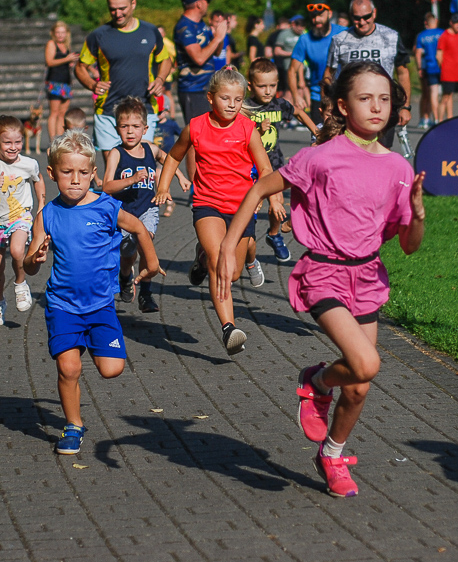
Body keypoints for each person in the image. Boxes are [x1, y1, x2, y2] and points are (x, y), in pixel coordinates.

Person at [217, 61, 426, 499]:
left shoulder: (398, 168)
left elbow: (409, 245)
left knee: (360, 384)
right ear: (342, 105)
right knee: (366, 363)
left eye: (384, 98)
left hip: (367, 275)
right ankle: (314, 384)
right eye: (365, 98)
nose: (376, 107)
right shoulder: (319, 157)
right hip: (324, 273)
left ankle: (332, 453)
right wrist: (225, 248)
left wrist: (418, 216)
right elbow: (257, 189)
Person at [23, 130, 161, 456]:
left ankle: (85, 342)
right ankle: (73, 425)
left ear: (93, 174)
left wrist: (151, 262)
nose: (75, 180)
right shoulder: (47, 216)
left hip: (100, 306)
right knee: (69, 369)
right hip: (62, 305)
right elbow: (29, 267)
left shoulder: (107, 207)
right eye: (67, 172)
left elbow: (139, 226)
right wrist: (34, 259)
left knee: (111, 369)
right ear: (52, 173)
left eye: (83, 173)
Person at [153, 68, 272, 356]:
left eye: (238, 99)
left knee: (231, 274)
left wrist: (268, 197)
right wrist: (163, 186)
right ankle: (229, 328)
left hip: (241, 209)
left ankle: (201, 255)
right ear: (210, 98)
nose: (232, 104)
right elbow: (174, 156)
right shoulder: (195, 127)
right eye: (225, 98)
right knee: (220, 261)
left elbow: (266, 169)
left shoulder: (247, 128)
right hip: (207, 204)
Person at [102, 97, 188, 314]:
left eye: (135, 127)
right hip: (123, 212)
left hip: (148, 207)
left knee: (146, 244)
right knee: (128, 254)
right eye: (124, 127)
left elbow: (168, 159)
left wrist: (180, 176)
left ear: (145, 129)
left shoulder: (150, 148)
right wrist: (130, 180)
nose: (130, 132)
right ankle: (125, 276)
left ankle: (146, 294)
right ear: (116, 128)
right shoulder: (116, 153)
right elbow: (106, 186)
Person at [75, 0, 171, 161]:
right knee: (114, 168)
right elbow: (80, 66)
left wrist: (160, 79)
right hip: (109, 110)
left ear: (133, 4)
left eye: (122, 8)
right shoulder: (99, 35)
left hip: (144, 107)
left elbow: (165, 59)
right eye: (113, 9)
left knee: (142, 164)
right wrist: (92, 84)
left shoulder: (150, 32)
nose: (118, 14)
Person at [242, 58, 319, 263]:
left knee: (277, 204)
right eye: (262, 86)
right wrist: (257, 131)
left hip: (274, 164)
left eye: (272, 86)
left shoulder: (279, 104)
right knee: (249, 208)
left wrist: (316, 132)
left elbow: (300, 113)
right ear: (250, 86)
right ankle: (244, 244)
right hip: (249, 166)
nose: (268, 91)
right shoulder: (244, 108)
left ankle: (274, 234)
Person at [0, 116, 45, 326]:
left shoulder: (29, 163)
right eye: (8, 143)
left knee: (17, 250)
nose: (14, 147)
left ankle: (21, 284)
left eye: (18, 142)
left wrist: (41, 203)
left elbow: (38, 181)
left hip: (19, 217)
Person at [322, 0, 413, 147]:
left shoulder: (391, 37)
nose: (362, 22)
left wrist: (405, 107)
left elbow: (403, 73)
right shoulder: (339, 40)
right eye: (357, 18)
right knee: (352, 154)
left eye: (366, 17)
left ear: (374, 13)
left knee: (380, 154)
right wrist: (328, 106)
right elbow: (328, 75)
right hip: (351, 109)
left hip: (383, 108)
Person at [174, 0, 227, 126]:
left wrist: (219, 36)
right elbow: (199, 58)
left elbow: (214, 51)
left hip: (207, 88)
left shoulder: (201, 24)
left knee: (212, 133)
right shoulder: (184, 27)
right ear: (199, 3)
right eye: (207, 1)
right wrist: (217, 39)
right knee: (198, 136)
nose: (208, 5)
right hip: (193, 90)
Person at [290, 1, 347, 124]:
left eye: (320, 15)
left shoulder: (343, 33)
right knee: (319, 138)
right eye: (314, 17)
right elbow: (291, 71)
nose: (317, 20)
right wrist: (296, 96)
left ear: (329, 14)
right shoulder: (305, 40)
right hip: (319, 97)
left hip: (345, 94)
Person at [43, 21, 79, 141]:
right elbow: (50, 62)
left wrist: (70, 63)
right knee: (54, 112)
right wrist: (66, 59)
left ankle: (60, 138)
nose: (60, 35)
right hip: (54, 82)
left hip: (66, 82)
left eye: (63, 32)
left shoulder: (67, 46)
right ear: (53, 33)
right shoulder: (51, 44)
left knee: (63, 113)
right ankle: (53, 139)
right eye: (58, 32)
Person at [413, 13, 443, 127]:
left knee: (428, 94)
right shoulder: (442, 33)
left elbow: (417, 52)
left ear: (426, 22)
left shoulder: (421, 36)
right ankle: (441, 118)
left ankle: (426, 118)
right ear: (436, 21)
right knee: (445, 95)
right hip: (442, 67)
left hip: (428, 67)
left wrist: (419, 67)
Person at [273, 15, 306, 104]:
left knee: (301, 90)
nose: (301, 29)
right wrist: (292, 54)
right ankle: (286, 113)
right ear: (293, 24)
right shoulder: (284, 34)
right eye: (299, 26)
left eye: (303, 26)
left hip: (302, 69)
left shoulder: (304, 35)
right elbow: (277, 51)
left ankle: (298, 113)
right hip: (288, 67)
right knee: (289, 91)